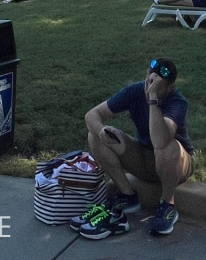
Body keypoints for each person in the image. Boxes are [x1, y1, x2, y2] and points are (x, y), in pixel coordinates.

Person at [78, 58, 194, 239]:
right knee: (96, 135)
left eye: (157, 86)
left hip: (176, 163)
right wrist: (102, 131)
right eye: (148, 81)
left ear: (170, 88)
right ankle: (127, 195)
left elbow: (160, 141)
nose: (149, 87)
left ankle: (167, 206)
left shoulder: (177, 102)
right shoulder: (135, 90)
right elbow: (92, 115)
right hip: (145, 157)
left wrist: (153, 100)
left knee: (168, 147)